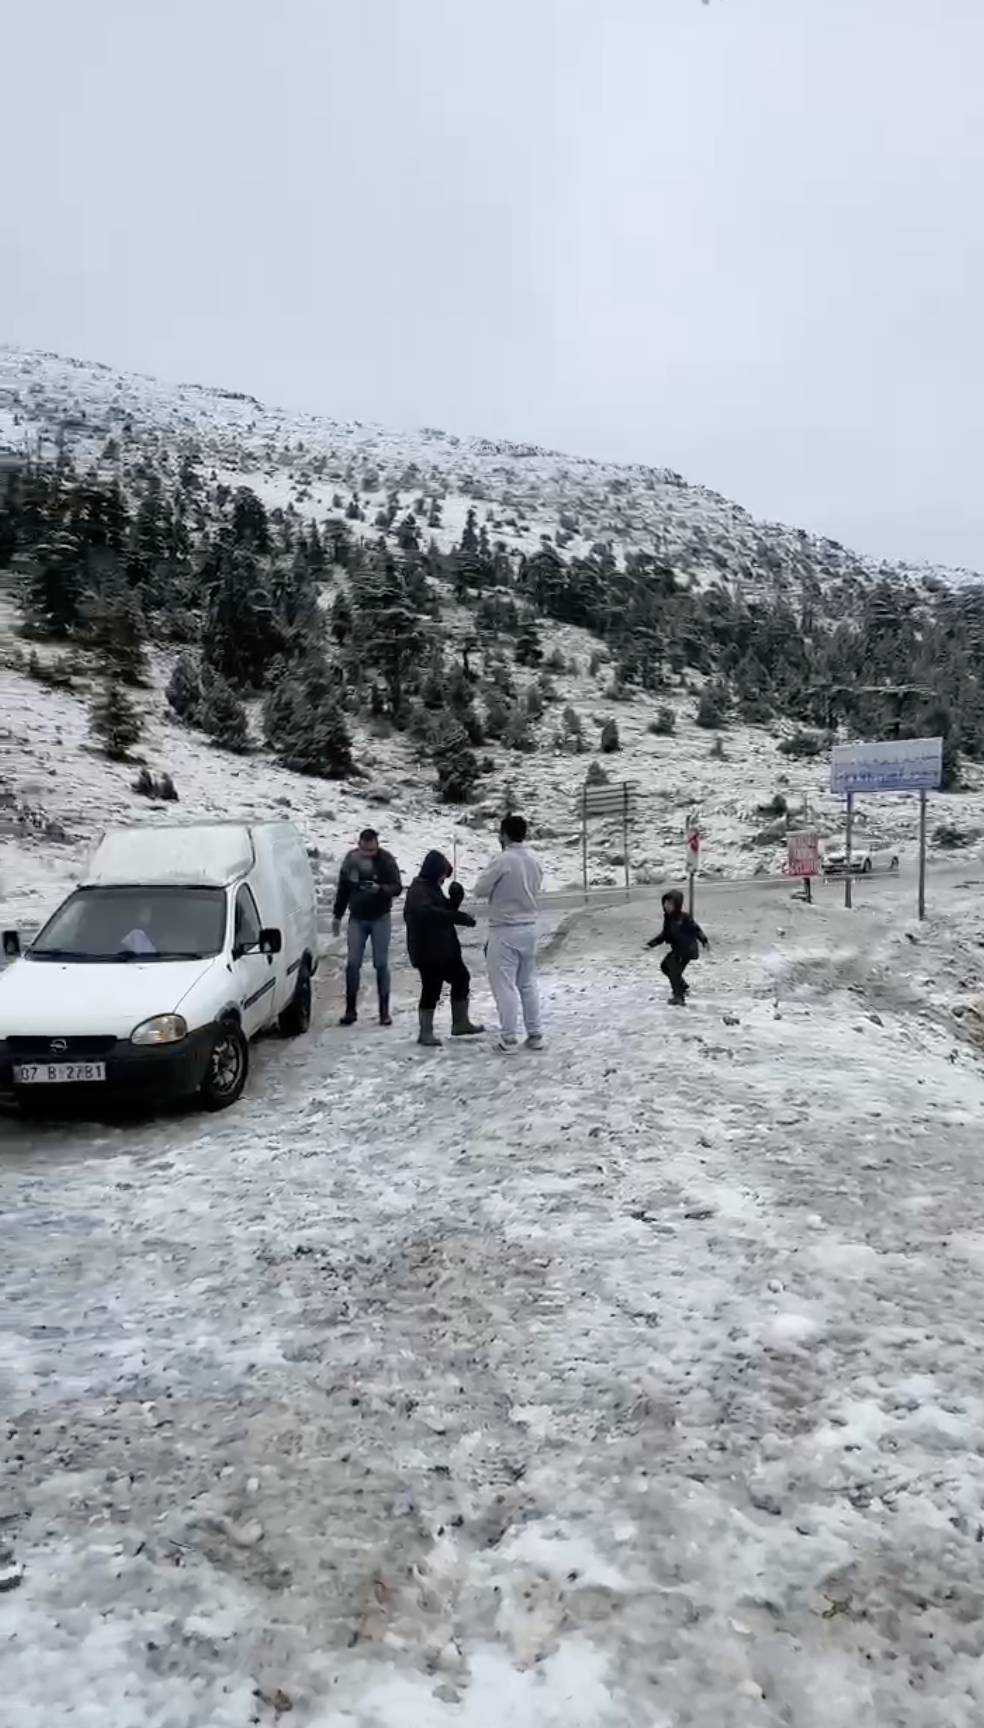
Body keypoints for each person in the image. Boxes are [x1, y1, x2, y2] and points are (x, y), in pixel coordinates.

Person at [474, 813, 544, 1052]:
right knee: (527, 983)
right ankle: (535, 1034)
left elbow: (480, 889)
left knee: (504, 985)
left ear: (503, 834)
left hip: (504, 928)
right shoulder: (534, 861)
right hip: (529, 927)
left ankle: (509, 1037)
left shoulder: (502, 860)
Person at [403, 850, 484, 1046]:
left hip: (444, 948)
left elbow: (443, 910)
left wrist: (455, 899)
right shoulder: (418, 891)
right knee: (432, 988)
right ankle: (425, 1032)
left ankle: (460, 1023)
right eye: (442, 875)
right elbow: (429, 913)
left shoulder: (430, 887)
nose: (442, 880)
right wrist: (458, 917)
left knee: (461, 978)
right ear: (433, 872)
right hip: (427, 950)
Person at [332, 828, 402, 1026]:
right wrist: (337, 915)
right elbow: (343, 889)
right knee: (353, 963)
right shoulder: (351, 860)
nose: (368, 855)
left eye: (372, 851)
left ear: (377, 846)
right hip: (357, 917)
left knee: (381, 964)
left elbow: (397, 886)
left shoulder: (386, 860)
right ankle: (350, 1009)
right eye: (365, 851)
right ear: (359, 845)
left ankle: (384, 1011)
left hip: (380, 917)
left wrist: (380, 889)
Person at [646, 890, 709, 1005]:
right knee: (665, 966)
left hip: (687, 950)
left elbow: (696, 929)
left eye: (670, 904)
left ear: (677, 905)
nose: (667, 906)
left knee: (674, 971)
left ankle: (678, 996)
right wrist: (651, 944)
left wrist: (704, 940)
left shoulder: (684, 918)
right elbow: (665, 935)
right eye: (665, 903)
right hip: (677, 949)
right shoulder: (668, 919)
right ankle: (682, 986)